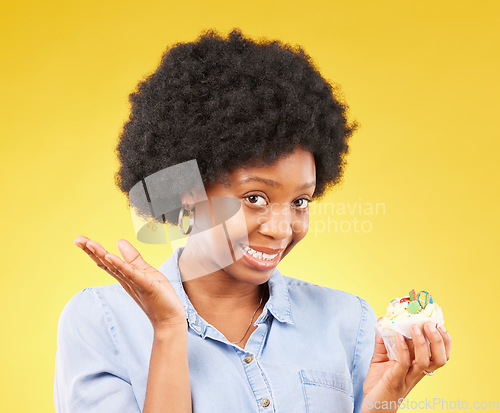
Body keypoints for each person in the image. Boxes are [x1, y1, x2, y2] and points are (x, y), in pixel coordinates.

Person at [54, 28, 452, 413]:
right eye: (255, 198)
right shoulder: (103, 321)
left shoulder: (349, 322)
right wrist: (169, 329)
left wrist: (385, 400)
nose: (281, 229)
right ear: (189, 191)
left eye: (300, 201)